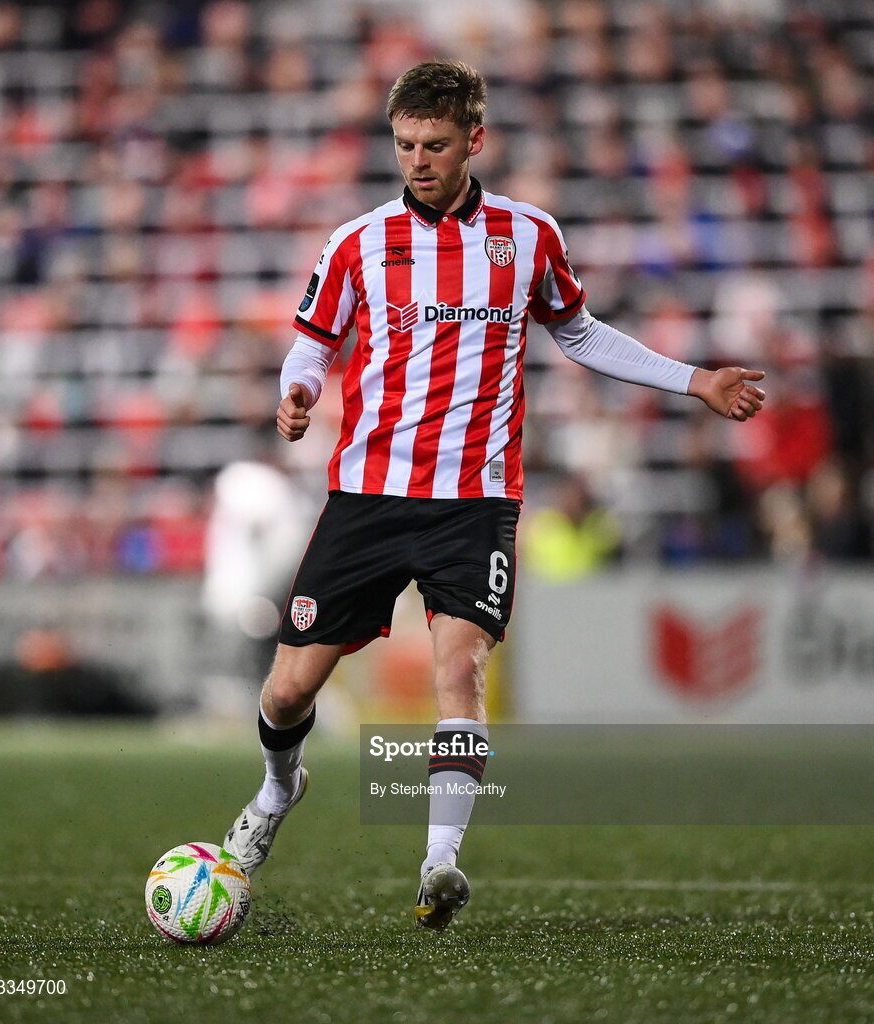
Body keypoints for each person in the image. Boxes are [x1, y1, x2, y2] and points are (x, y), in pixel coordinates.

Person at [223, 59, 765, 931]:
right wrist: (299, 392)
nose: (417, 161)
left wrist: (693, 377)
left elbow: (580, 333)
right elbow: (311, 343)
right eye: (404, 145)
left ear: (475, 139)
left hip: (475, 504)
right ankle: (279, 787)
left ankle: (440, 861)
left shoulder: (529, 235)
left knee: (461, 670)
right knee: (288, 693)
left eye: (434, 145)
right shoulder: (358, 242)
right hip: (367, 495)